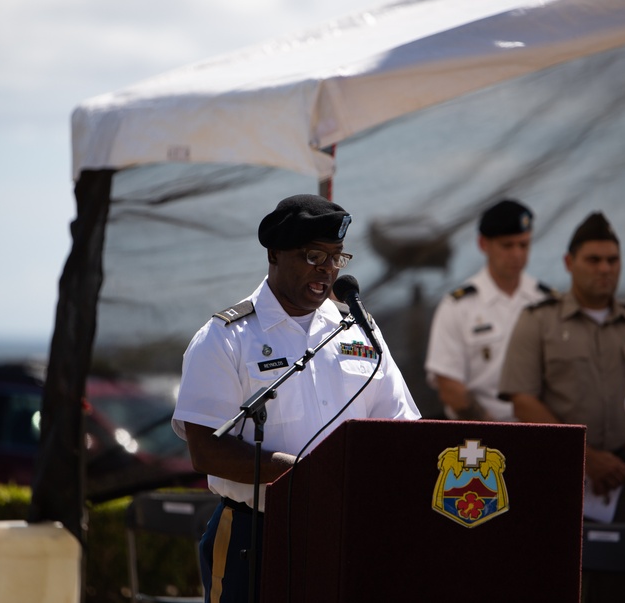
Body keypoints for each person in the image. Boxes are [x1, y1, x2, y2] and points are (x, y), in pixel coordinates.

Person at [171, 194, 421, 602]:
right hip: (257, 533)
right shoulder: (226, 337)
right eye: (313, 256)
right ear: (274, 254)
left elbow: (400, 428)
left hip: (346, 532)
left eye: (337, 257)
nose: (327, 269)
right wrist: (295, 473)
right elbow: (205, 450)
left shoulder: (358, 330)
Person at [499, 211, 625, 603]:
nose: (605, 269)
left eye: (612, 260)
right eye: (593, 260)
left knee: (623, 583)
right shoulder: (539, 320)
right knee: (557, 580)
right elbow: (522, 399)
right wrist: (586, 458)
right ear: (569, 263)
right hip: (561, 479)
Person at [424, 199, 553, 421]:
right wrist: (495, 432)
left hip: (540, 431)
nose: (517, 254)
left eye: (524, 245)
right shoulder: (458, 306)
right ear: (483, 244)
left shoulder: (547, 301)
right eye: (507, 245)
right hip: (476, 436)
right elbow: (449, 387)